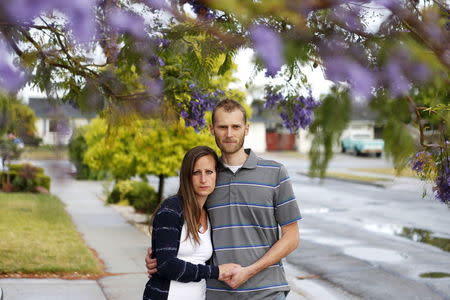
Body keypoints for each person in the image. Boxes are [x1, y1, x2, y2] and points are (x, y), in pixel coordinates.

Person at [146, 99, 302, 299]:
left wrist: (250, 271)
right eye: (222, 127)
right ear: (212, 129)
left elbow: (292, 237)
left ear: (246, 129)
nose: (229, 134)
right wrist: (159, 257)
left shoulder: (275, 173)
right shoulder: (207, 178)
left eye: (236, 126)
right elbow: (179, 230)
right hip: (216, 293)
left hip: (266, 291)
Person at [143, 145, 240, 300]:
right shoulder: (172, 209)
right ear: (187, 176)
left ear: (216, 174)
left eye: (209, 172)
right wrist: (217, 272)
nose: (203, 179)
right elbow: (167, 266)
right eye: (196, 173)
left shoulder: (209, 214)